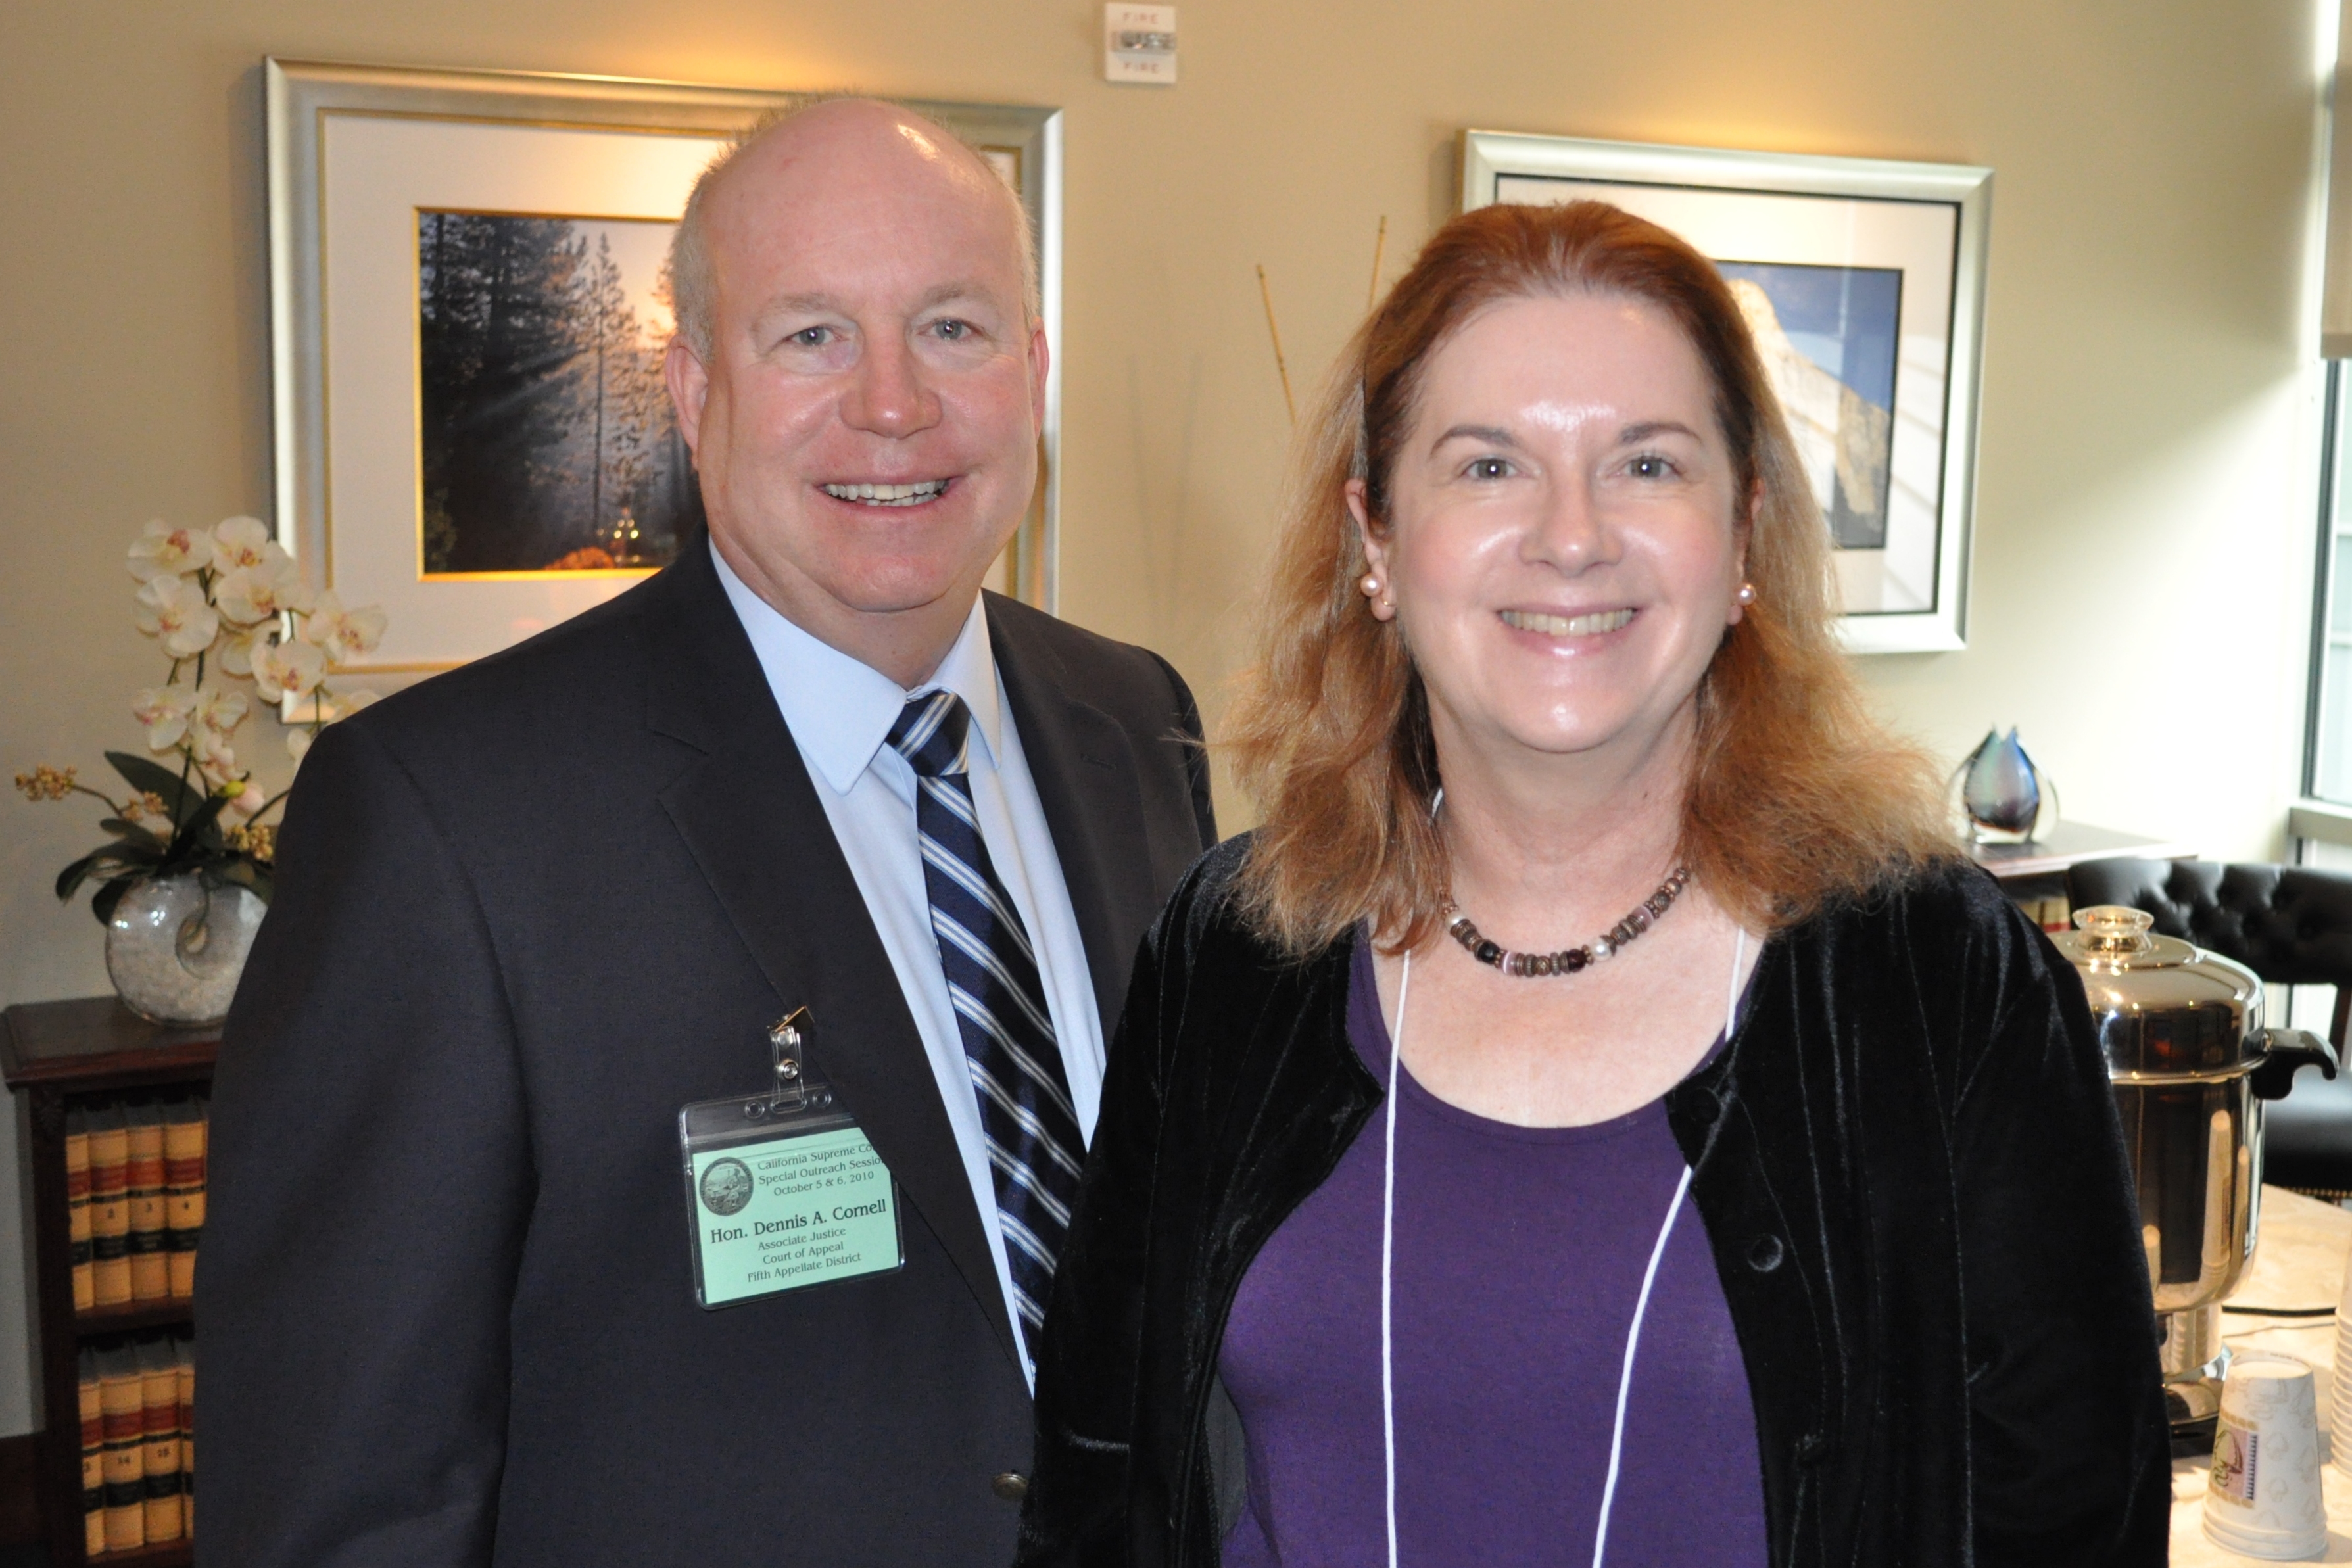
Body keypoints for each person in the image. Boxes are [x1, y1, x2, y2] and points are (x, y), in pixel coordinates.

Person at [1017, 201, 2169, 1567]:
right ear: (1375, 538)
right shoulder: (1234, 952)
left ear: (1742, 532)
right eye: (1488, 464)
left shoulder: (1937, 984)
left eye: (1646, 463)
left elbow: (2075, 1521)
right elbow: (1101, 1480)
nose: (1572, 536)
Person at [201, 99, 1214, 1567]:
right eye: (810, 335)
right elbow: (344, 1491)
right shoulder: (447, 817)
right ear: (691, 391)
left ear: (1034, 372)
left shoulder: (1135, 721)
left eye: (952, 327)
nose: (892, 404)